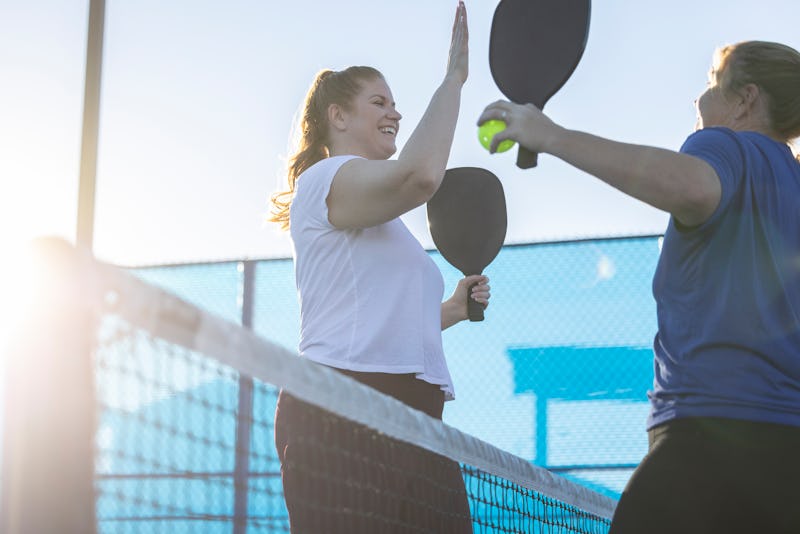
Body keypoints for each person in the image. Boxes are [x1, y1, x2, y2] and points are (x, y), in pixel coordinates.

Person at [479, 41, 800, 533]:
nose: (699, 99)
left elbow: (693, 187)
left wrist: (551, 136)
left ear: (745, 100)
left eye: (713, 83)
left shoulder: (723, 144)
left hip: (707, 444)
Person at [269, 3, 485, 532]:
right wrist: (454, 81)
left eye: (396, 103)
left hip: (417, 420)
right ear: (338, 117)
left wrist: (451, 311)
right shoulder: (323, 181)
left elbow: (374, 321)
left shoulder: (384, 228)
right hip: (343, 412)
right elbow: (419, 177)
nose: (395, 112)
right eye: (379, 102)